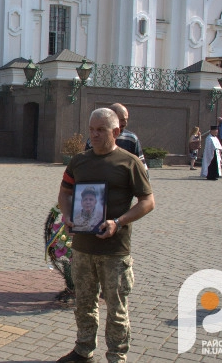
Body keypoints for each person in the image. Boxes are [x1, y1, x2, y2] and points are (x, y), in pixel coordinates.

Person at [57, 108, 154, 363]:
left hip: (115, 251)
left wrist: (118, 222)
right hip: (83, 248)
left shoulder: (129, 163)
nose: (94, 135)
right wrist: (67, 216)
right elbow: (65, 193)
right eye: (91, 129)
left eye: (100, 130)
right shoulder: (79, 161)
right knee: (84, 303)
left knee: (116, 309)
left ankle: (116, 357)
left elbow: (147, 201)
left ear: (116, 131)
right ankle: (83, 350)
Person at [85, 103, 148, 172]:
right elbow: (86, 163)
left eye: (126, 119)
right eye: (121, 120)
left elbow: (142, 166)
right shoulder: (94, 139)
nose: (125, 123)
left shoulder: (131, 139)